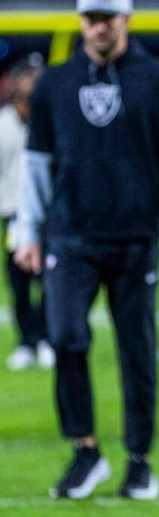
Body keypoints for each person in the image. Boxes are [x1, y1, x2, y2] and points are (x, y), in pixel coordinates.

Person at [14, 0, 159, 500]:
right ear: (80, 20)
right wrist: (25, 229)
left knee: (136, 351)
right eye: (91, 17)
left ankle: (139, 461)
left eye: (109, 17)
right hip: (69, 236)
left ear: (127, 18)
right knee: (66, 335)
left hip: (135, 236)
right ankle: (85, 451)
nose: (100, 26)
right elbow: (35, 164)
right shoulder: (54, 83)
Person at [1, 55, 54, 371]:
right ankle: (26, 341)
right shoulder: (4, 123)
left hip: (47, 213)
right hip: (12, 213)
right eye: (28, 76)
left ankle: (46, 338)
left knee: (48, 279)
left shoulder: (49, 121)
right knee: (18, 281)